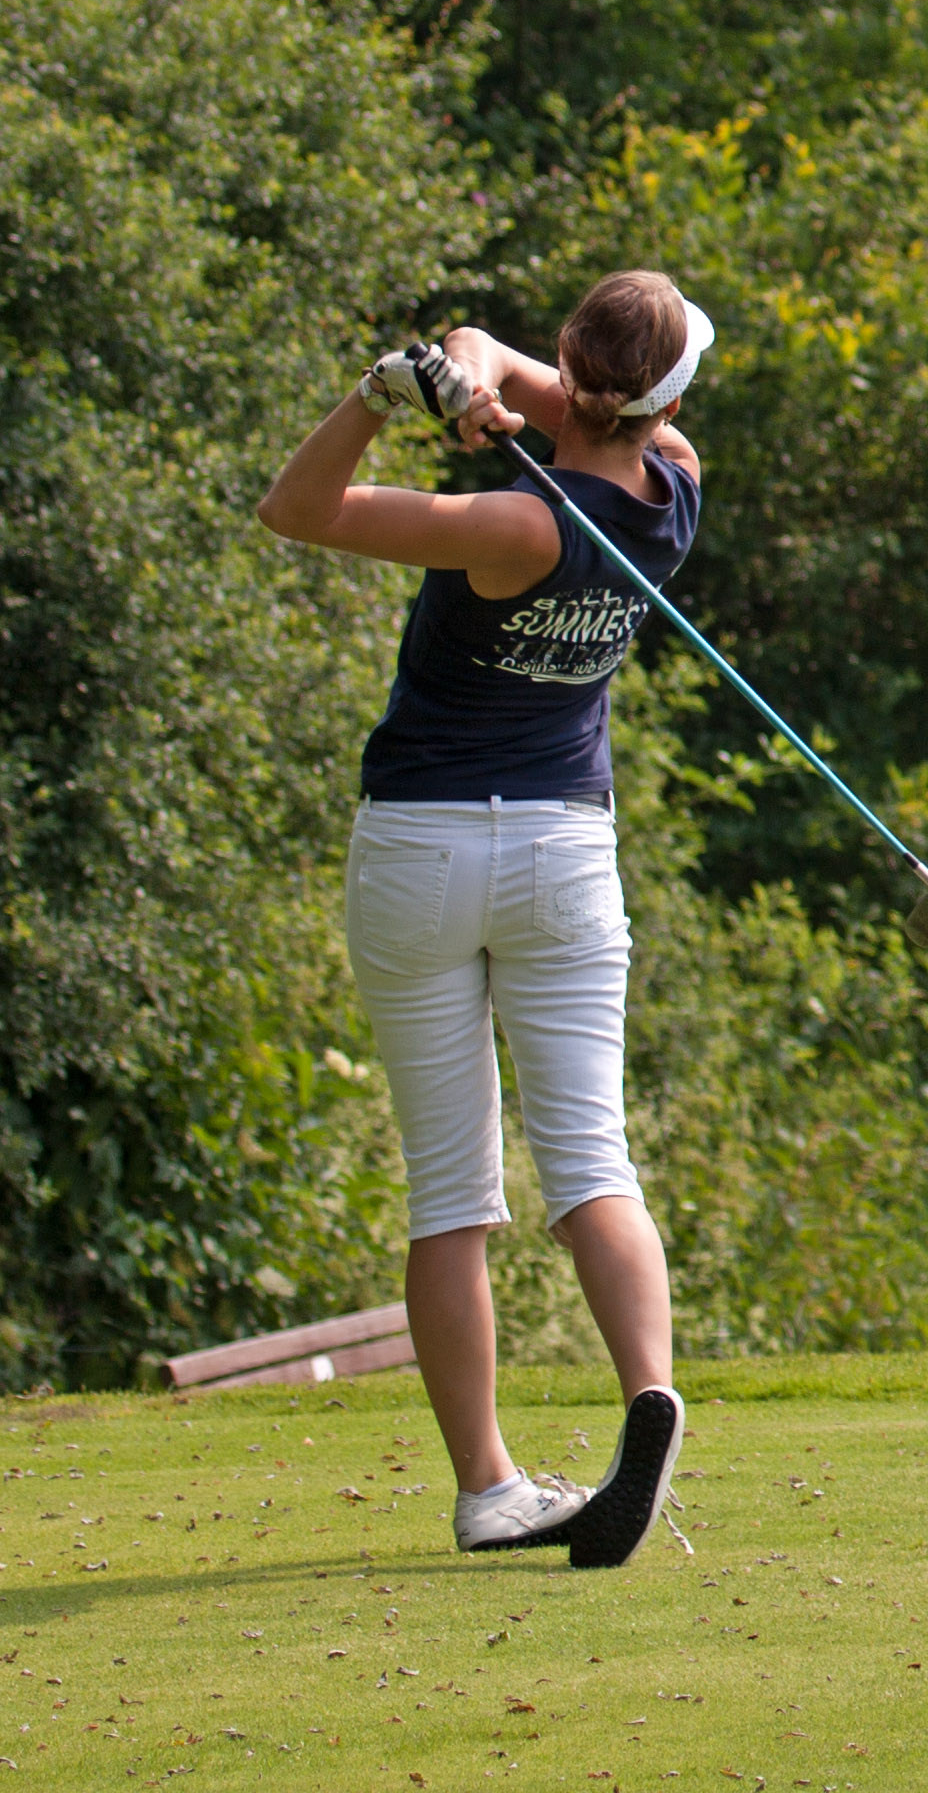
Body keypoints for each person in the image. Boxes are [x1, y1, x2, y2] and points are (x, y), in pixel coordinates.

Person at [253, 271, 710, 1568]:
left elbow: (296, 511)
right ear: (662, 399)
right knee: (592, 1162)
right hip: (566, 853)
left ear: (571, 369)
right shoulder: (673, 484)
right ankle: (648, 1401)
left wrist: (374, 399)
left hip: (423, 846)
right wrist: (463, 377)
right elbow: (541, 375)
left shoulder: (508, 526)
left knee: (452, 1191)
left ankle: (490, 1487)